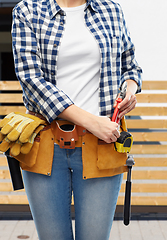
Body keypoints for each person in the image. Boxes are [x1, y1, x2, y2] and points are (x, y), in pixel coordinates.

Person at [11, 0, 142, 239]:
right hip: (46, 144)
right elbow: (31, 80)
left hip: (101, 145)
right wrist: (92, 122)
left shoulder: (110, 9)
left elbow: (130, 66)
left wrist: (130, 90)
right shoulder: (28, 10)